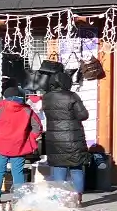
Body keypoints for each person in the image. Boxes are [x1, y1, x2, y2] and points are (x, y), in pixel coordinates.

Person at [0, 85, 42, 204]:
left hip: (0, 145)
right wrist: (29, 138)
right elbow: (37, 127)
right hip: (19, 146)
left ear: (6, 96)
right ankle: (19, 198)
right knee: (17, 172)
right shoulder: (27, 109)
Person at [38, 61, 89, 194]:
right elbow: (83, 115)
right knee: (76, 169)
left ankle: (60, 199)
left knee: (58, 169)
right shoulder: (72, 96)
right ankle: (77, 199)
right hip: (72, 139)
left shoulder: (46, 97)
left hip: (54, 139)